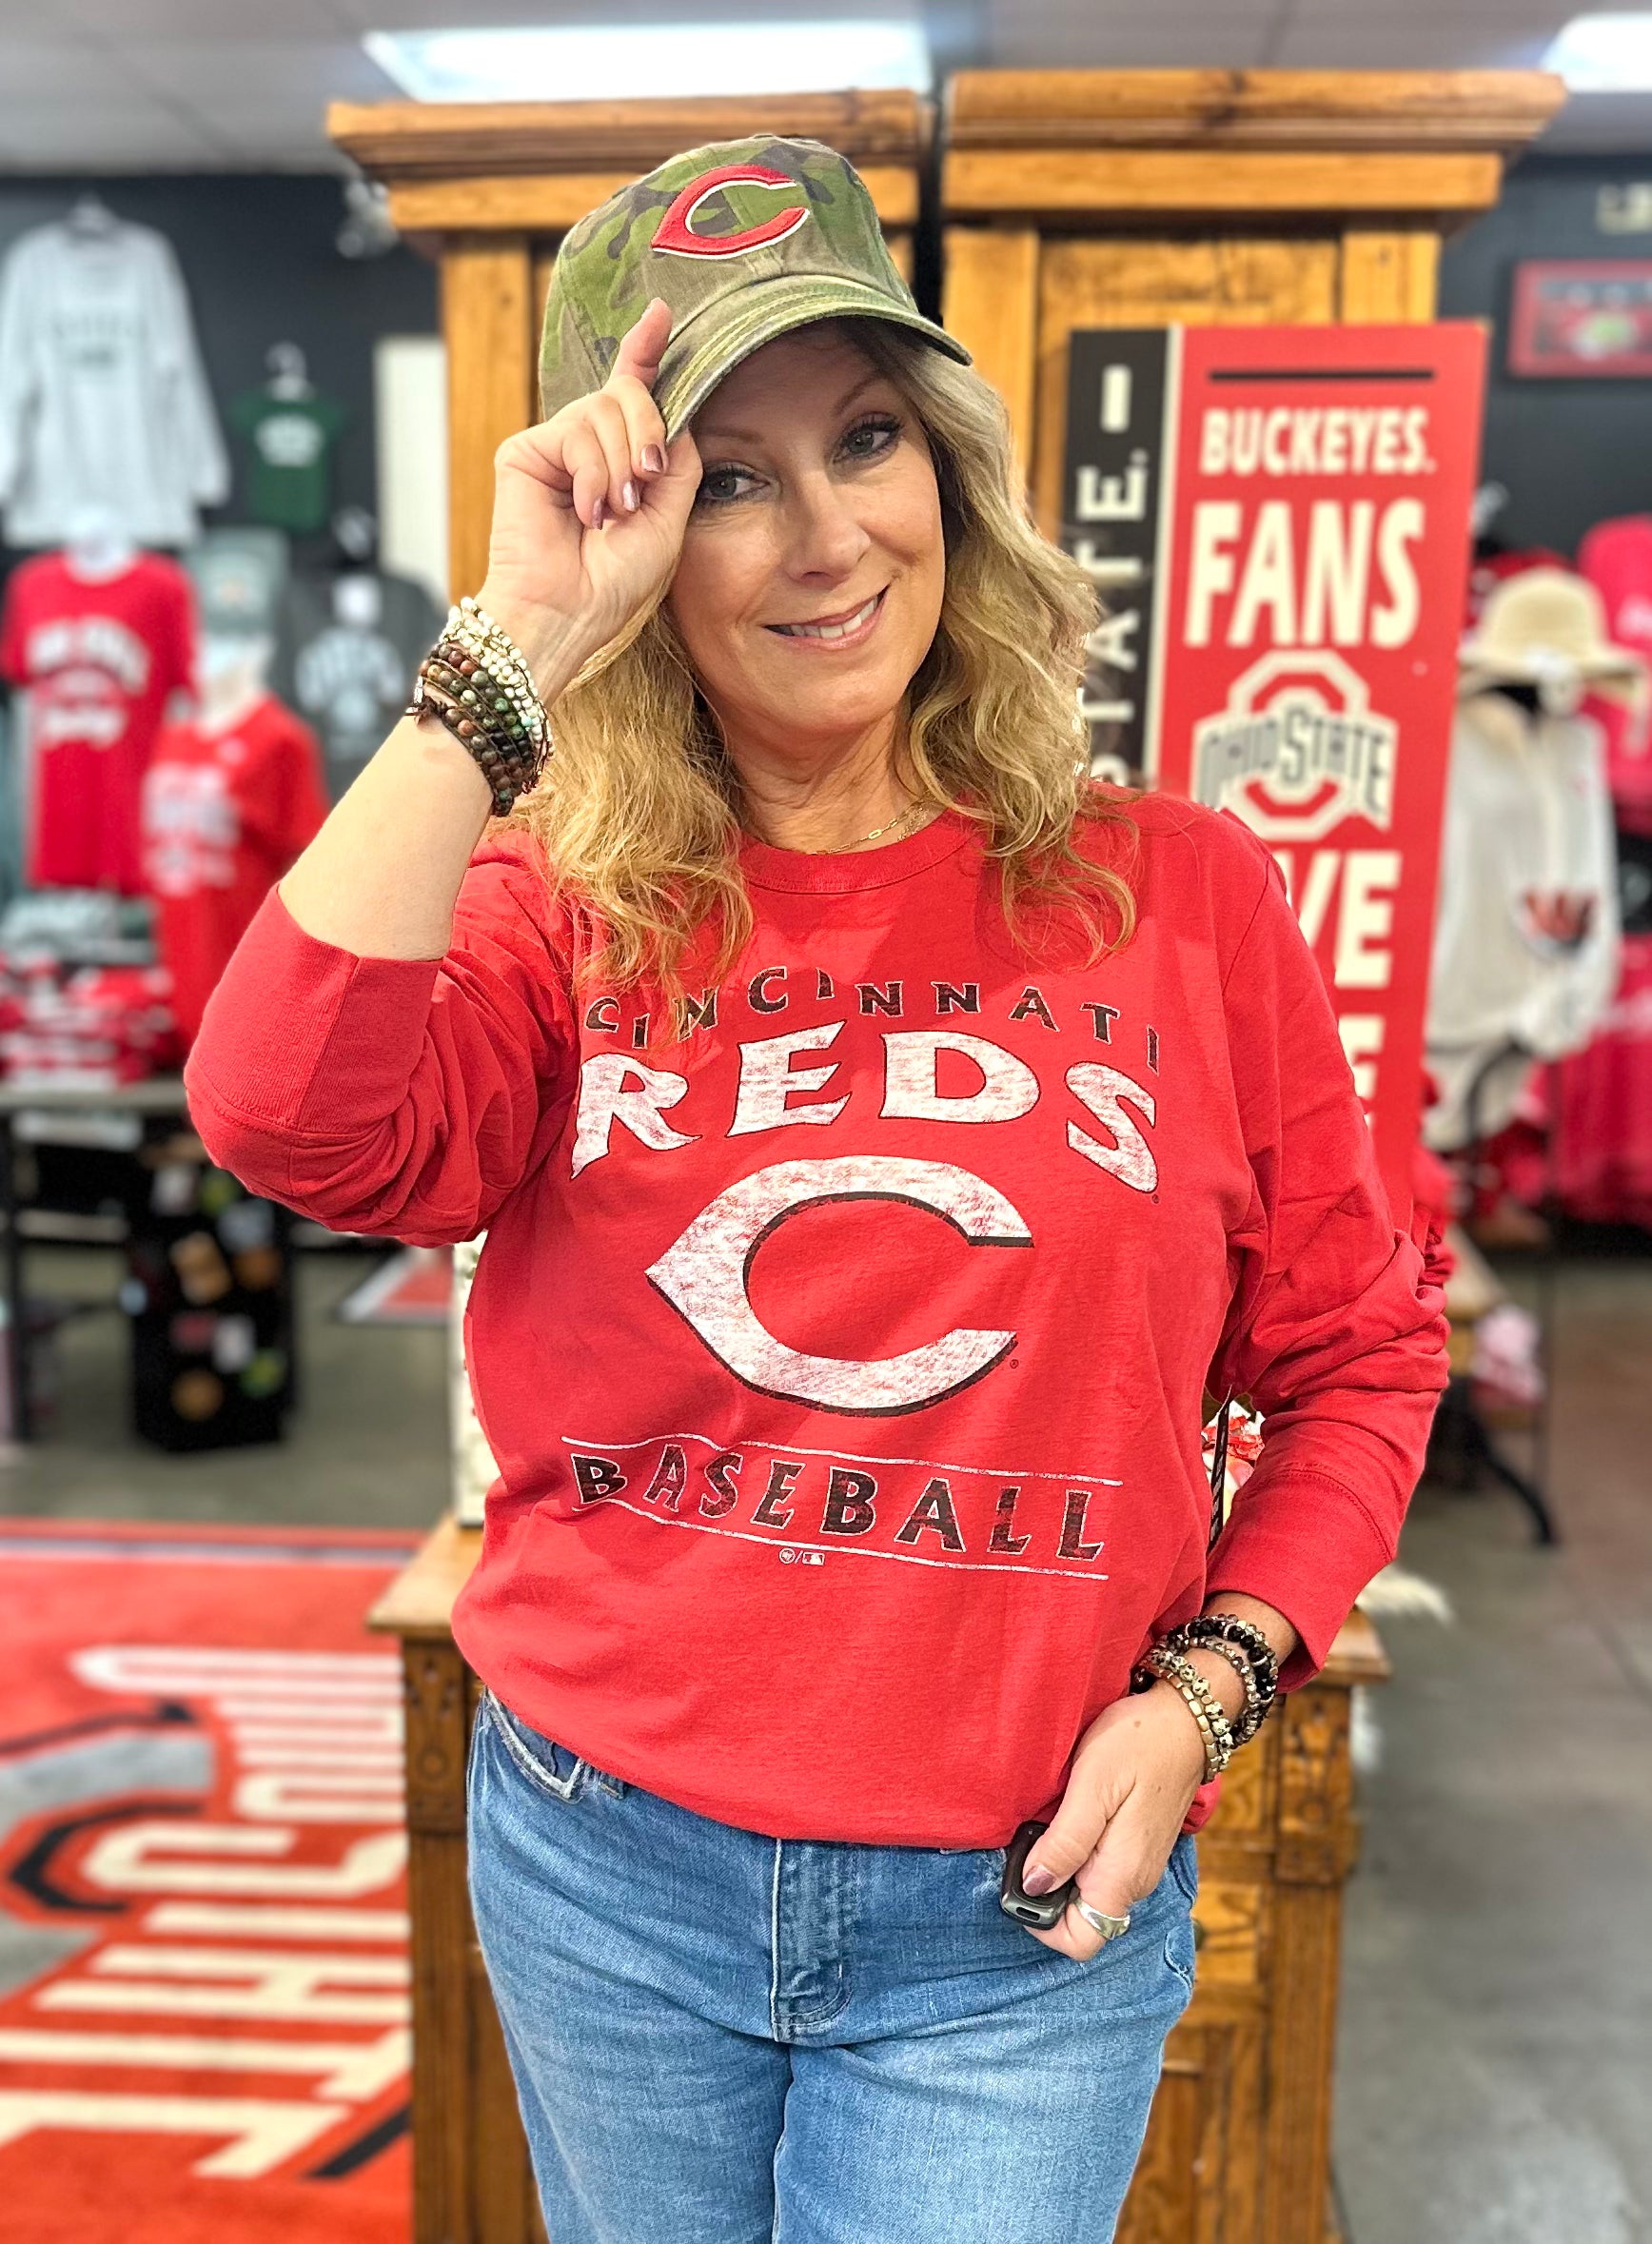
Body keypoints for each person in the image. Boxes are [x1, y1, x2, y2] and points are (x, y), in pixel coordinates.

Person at [185, 137, 1447, 2244]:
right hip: (609, 1858)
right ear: (644, 536)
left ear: (948, 471)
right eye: (729, 475)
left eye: (867, 437)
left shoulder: (1183, 895)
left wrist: (1211, 1685)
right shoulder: (554, 905)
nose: (825, 531)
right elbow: (283, 1118)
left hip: (1017, 1906)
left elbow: (1360, 1355)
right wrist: (511, 637)